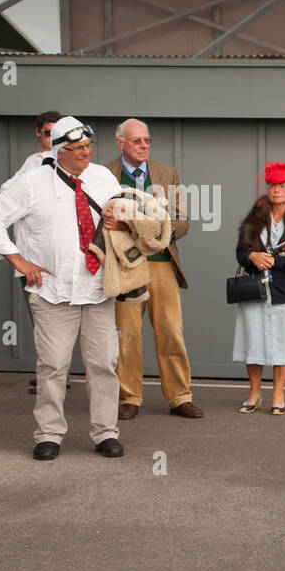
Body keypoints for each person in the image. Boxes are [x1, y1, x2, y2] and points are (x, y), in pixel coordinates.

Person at [0, 116, 129, 460]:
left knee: (104, 364)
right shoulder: (31, 182)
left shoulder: (102, 177)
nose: (84, 153)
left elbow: (125, 215)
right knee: (53, 366)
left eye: (88, 146)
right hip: (51, 290)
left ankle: (105, 432)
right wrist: (18, 260)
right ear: (58, 150)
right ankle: (49, 434)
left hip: (98, 287)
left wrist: (121, 221)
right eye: (75, 149)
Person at [104, 118, 203, 420]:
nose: (144, 145)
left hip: (162, 264)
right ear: (121, 143)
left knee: (171, 330)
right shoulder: (105, 174)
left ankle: (179, 397)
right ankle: (130, 397)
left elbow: (182, 220)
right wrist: (122, 226)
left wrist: (160, 231)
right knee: (128, 334)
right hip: (126, 265)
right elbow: (101, 217)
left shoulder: (165, 173)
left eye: (147, 140)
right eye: (137, 140)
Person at [232, 162, 285, 415]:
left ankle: (278, 392)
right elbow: (240, 253)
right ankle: (254, 392)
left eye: (283, 186)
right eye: (272, 185)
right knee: (253, 341)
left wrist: (273, 261)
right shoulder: (255, 217)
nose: (277, 190)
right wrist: (252, 258)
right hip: (254, 289)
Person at [2, 110, 62, 394]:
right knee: (39, 319)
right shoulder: (30, 164)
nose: (52, 138)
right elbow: (6, 193)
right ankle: (48, 375)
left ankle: (56, 375)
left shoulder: (73, 162)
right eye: (48, 132)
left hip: (61, 256)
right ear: (38, 133)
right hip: (30, 259)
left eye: (57, 132)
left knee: (67, 321)